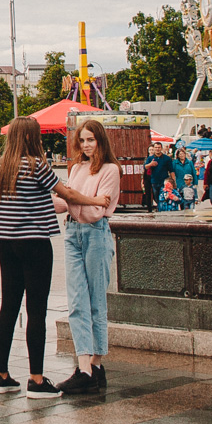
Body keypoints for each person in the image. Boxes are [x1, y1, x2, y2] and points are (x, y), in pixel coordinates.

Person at [0, 116, 112, 400]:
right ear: (31, 138)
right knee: (36, 309)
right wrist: (96, 201)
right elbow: (66, 192)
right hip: (34, 243)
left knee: (8, 306)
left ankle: (2, 375)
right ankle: (36, 379)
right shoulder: (36, 165)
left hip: (6, 243)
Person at [56, 120, 122, 395]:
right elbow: (62, 204)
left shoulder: (110, 170)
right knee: (76, 302)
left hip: (96, 234)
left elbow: (98, 211)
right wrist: (80, 198)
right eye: (82, 140)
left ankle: (95, 364)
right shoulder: (77, 168)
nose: (85, 145)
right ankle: (85, 367)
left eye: (91, 140)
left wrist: (69, 197)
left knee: (96, 301)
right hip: (72, 232)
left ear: (101, 142)